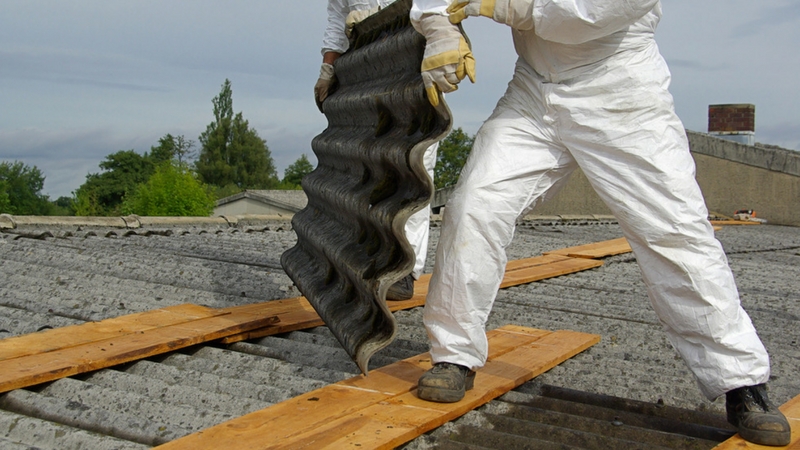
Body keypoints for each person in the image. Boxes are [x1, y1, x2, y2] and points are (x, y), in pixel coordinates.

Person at [409, 0, 791, 446]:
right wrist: (440, 30)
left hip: (621, 93)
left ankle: (741, 382)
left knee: (674, 234)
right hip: (533, 93)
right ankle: (454, 356)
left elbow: (576, 17)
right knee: (473, 206)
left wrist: (488, 4)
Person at [315, 0, 439, 300]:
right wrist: (329, 66)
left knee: (414, 167)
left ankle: (404, 269)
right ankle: (365, 258)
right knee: (365, 166)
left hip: (414, 64)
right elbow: (337, 17)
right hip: (366, 72)